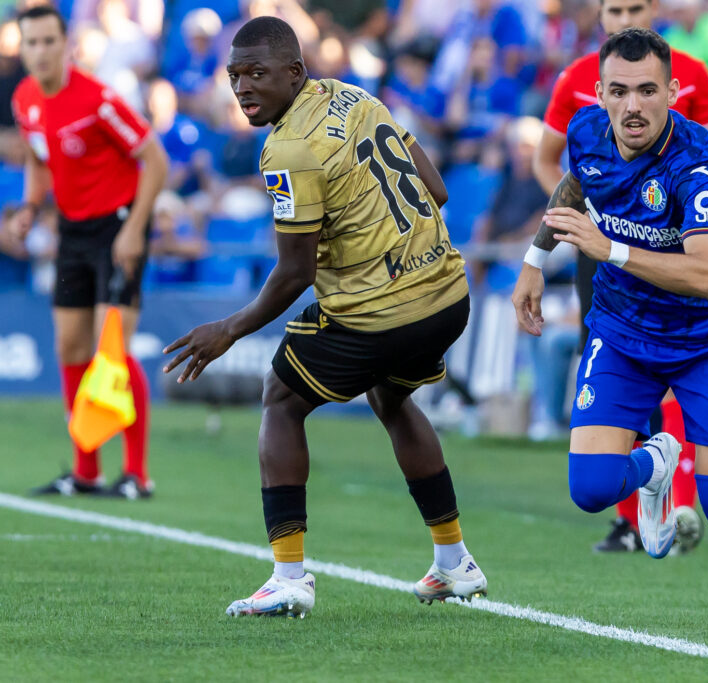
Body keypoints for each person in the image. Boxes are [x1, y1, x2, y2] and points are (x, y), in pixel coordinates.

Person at [162, 16, 486, 618]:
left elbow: (294, 274)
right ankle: (454, 562)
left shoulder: (286, 148)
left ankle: (289, 575)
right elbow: (435, 188)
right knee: (392, 399)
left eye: (257, 74)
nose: (242, 89)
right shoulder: (356, 96)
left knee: (281, 398)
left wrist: (226, 330)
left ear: (294, 72)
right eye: (234, 77)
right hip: (448, 293)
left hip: (382, 309)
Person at [512, 28, 708, 588]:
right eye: (620, 91)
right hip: (624, 327)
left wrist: (611, 250)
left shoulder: (700, 162)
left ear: (673, 92)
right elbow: (575, 187)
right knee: (592, 489)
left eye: (648, 90)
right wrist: (535, 259)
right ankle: (654, 468)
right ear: (600, 94)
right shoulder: (585, 132)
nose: (634, 105)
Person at [534, 0, 708, 555]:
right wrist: (562, 234)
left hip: (672, 247)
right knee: (620, 380)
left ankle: (681, 497)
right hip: (603, 247)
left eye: (634, 7)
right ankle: (630, 510)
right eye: (614, 9)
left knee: (672, 373)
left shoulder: (691, 73)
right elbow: (557, 166)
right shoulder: (576, 79)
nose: (623, 17)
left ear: (654, 10)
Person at [5, 6, 168, 499]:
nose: (40, 51)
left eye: (48, 41)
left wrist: (135, 229)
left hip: (118, 229)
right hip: (73, 234)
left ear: (66, 45)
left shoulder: (98, 100)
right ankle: (87, 470)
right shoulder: (25, 99)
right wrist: (32, 206)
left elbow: (155, 161)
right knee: (70, 350)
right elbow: (39, 160)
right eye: (30, 43)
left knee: (110, 353)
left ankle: (137, 475)